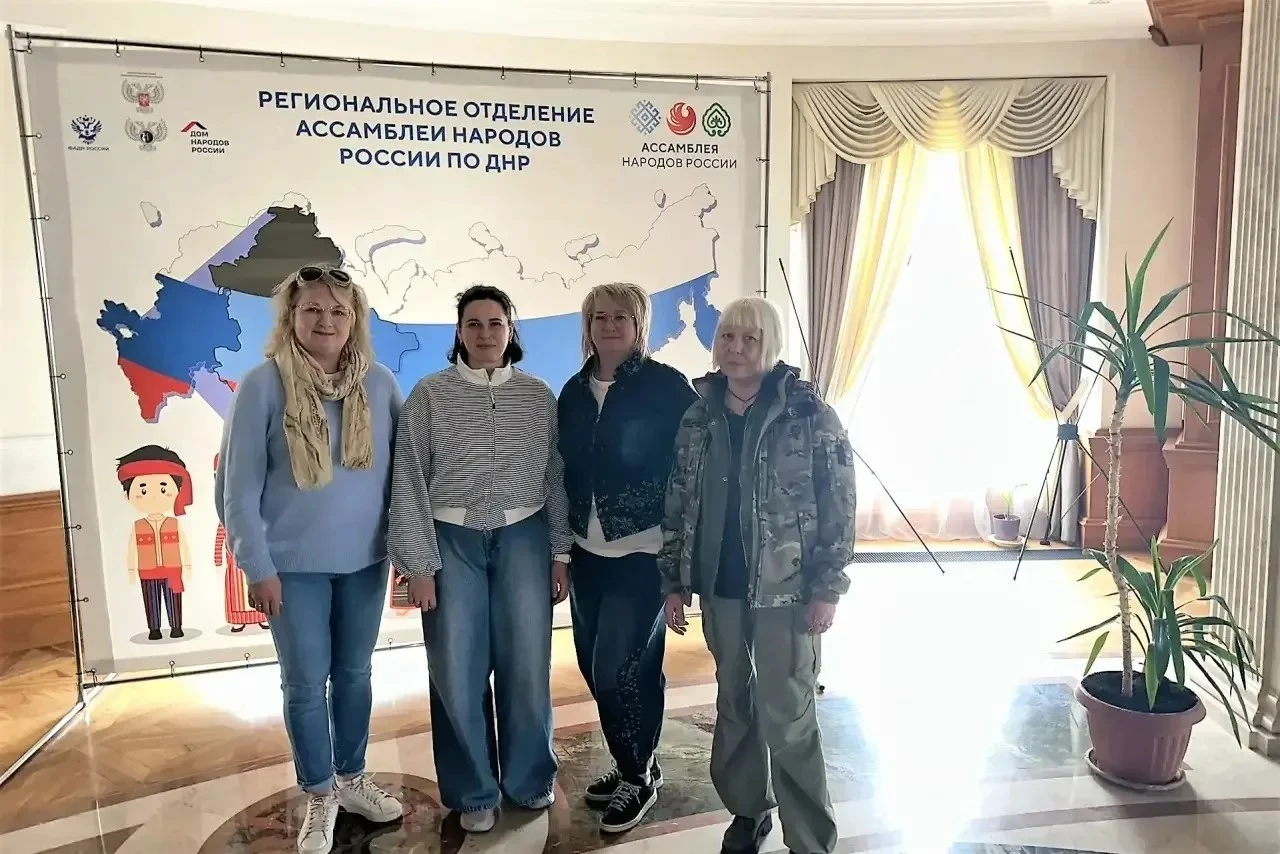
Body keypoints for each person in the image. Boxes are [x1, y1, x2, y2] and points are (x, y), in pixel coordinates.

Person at [215, 263, 405, 854]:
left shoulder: (379, 385)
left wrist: (408, 549)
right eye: (313, 309)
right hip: (291, 569)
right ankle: (320, 793)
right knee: (303, 683)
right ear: (291, 316)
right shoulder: (262, 385)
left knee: (355, 675)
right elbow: (236, 490)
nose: (326, 320)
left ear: (355, 321)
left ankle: (352, 778)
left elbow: (403, 476)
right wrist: (257, 567)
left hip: (366, 562)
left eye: (338, 311)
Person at [659, 296, 855, 854]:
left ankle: (810, 840)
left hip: (787, 592)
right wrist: (673, 581)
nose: (737, 348)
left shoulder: (809, 413)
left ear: (771, 345)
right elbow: (679, 500)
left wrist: (828, 588)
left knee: (789, 714)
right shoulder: (698, 415)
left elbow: (840, 504)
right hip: (721, 587)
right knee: (734, 705)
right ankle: (748, 812)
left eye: (750, 338)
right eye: (728, 336)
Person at [389, 284, 572, 834]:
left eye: (495, 323)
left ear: (511, 331)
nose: (485, 333)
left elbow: (555, 476)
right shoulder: (429, 395)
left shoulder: (538, 396)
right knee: (456, 667)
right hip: (451, 540)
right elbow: (408, 478)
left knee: (527, 665)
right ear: (459, 332)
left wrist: (559, 552)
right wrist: (419, 565)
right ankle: (473, 791)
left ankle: (529, 778)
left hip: (524, 537)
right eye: (474, 324)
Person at [557, 283, 697, 833]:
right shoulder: (573, 392)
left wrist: (681, 566)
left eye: (622, 316)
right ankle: (635, 760)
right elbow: (561, 473)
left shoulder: (666, 388)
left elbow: (691, 476)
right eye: (600, 316)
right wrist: (561, 552)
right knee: (598, 668)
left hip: (645, 555)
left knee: (618, 668)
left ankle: (638, 776)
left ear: (639, 325)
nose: (610, 325)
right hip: (588, 556)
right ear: (588, 326)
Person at [117, 444, 193, 641]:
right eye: (142, 490)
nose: (152, 496)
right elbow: (132, 550)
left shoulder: (174, 523)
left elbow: (183, 546)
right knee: (151, 600)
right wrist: (131, 571)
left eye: (163, 488)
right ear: (127, 496)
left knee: (173, 598)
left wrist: (188, 566)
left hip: (173, 569)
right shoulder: (138, 526)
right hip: (147, 570)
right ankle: (154, 629)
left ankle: (176, 626)